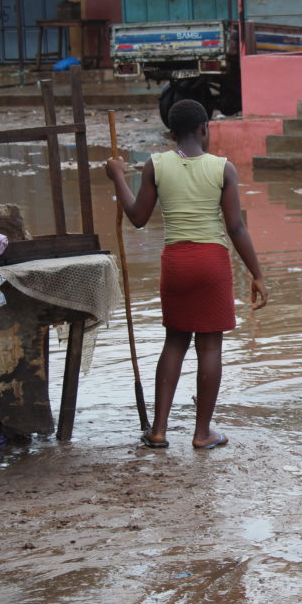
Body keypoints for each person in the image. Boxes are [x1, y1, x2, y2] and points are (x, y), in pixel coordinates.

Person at [105, 99, 267, 450]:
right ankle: (201, 433)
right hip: (212, 261)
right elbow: (236, 228)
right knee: (209, 345)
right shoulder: (223, 169)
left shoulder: (155, 165)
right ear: (204, 129)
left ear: (170, 134)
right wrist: (257, 274)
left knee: (175, 342)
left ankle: (159, 430)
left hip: (175, 262)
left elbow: (137, 217)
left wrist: (119, 176)